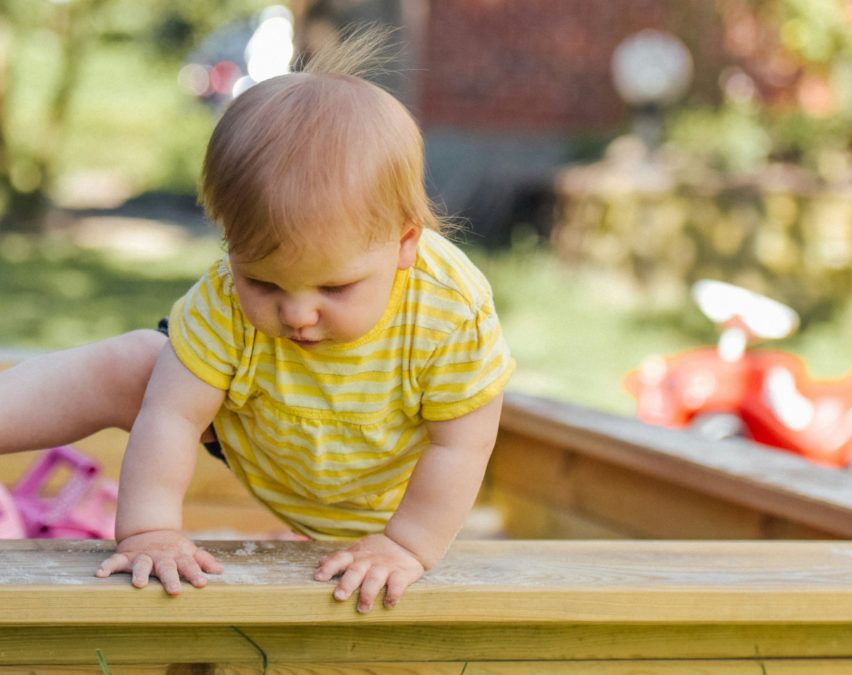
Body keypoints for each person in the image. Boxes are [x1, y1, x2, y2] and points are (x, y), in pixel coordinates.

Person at [0, 29, 514, 613]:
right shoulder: (222, 296)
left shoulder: (448, 310)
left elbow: (462, 444)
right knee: (137, 364)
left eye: (335, 287)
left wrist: (405, 545)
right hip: (264, 436)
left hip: (390, 485)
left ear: (404, 244)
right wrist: (150, 531)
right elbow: (170, 415)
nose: (297, 313)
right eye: (264, 283)